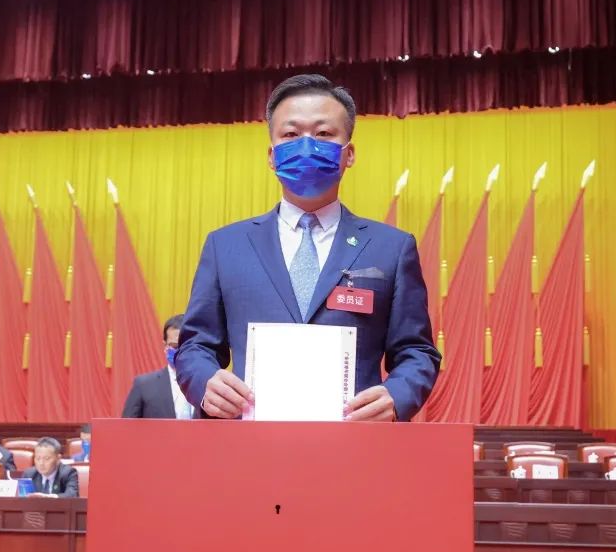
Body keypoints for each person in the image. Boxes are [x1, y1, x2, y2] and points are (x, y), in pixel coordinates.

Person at [175, 74, 440, 422]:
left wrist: (396, 397)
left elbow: (416, 351)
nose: (306, 146)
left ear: (349, 154)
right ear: (272, 156)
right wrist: (205, 383)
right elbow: (195, 346)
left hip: (354, 440)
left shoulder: (391, 248)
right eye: (290, 134)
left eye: (323, 133)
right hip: (248, 441)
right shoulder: (225, 246)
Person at [122, 314, 195, 420]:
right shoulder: (144, 386)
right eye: (175, 346)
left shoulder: (208, 385)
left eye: (186, 346)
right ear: (165, 346)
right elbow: (126, 427)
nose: (180, 352)